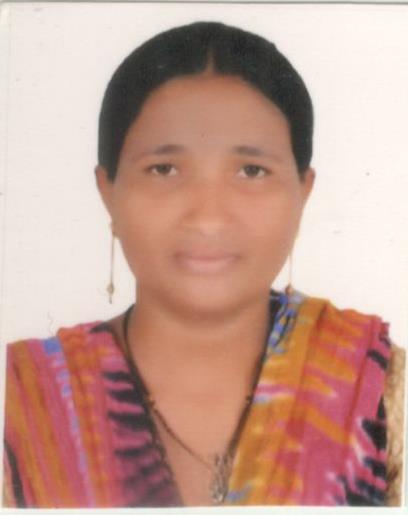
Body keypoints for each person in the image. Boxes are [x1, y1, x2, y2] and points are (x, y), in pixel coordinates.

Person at [2, 21, 405, 508]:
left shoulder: (386, 394)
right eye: (164, 169)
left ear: (303, 191)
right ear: (108, 190)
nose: (209, 218)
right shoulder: (19, 400)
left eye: (252, 171)